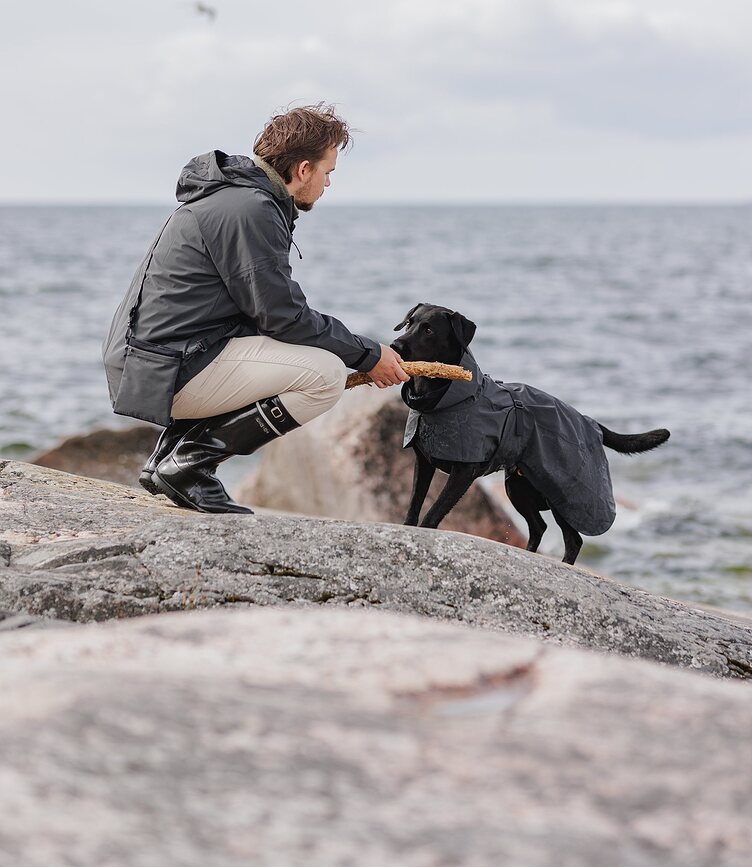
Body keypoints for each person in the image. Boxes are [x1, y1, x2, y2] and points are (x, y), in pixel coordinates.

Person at [102, 103, 408, 514]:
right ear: (303, 170)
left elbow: (261, 316)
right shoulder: (253, 209)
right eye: (328, 172)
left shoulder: (233, 198)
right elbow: (283, 316)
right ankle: (190, 464)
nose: (328, 183)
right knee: (325, 374)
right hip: (168, 370)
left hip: (152, 365)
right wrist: (369, 355)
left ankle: (169, 456)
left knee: (286, 350)